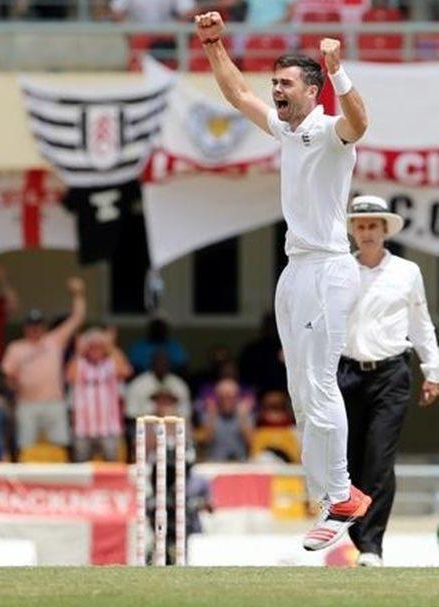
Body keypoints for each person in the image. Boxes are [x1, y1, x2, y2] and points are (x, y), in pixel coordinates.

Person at [195, 11, 371, 551]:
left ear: (312, 90)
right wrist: (213, 44)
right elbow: (237, 96)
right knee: (300, 392)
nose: (274, 89)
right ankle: (330, 498)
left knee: (319, 383)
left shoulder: (328, 131)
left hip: (328, 269)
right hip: (295, 271)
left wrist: (340, 73)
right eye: (274, 81)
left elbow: (359, 123)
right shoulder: (288, 129)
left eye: (285, 82)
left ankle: (342, 493)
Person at [339, 195, 439, 567]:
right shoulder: (339, 270)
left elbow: (421, 322)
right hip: (346, 373)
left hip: (391, 373)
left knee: (379, 458)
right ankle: (355, 535)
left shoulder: (406, 272)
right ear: (353, 232)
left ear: (384, 231)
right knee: (347, 461)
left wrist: (433, 371)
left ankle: (371, 545)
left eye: (372, 226)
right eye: (361, 226)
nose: (366, 233)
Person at [1, 278, 86, 452]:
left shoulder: (54, 341)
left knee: (60, 447)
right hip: (27, 404)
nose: (34, 329)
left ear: (44, 327)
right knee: (26, 448)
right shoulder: (16, 347)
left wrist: (78, 294)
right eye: (31, 325)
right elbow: (8, 376)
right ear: (25, 327)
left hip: (54, 402)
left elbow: (77, 318)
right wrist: (14, 389)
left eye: (38, 325)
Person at [66, 328, 132, 462]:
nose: (95, 350)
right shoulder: (80, 364)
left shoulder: (110, 364)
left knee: (112, 469)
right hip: (83, 428)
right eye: (91, 347)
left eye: (99, 347)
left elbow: (126, 370)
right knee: (81, 470)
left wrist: (112, 346)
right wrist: (79, 351)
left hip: (108, 428)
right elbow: (69, 375)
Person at [199, 378, 254, 462]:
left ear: (237, 397)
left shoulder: (245, 415)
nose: (226, 401)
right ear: (217, 398)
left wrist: (242, 417)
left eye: (230, 397)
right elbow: (205, 441)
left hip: (238, 463)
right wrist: (212, 415)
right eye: (223, 397)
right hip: (214, 463)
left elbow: (250, 442)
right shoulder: (208, 415)